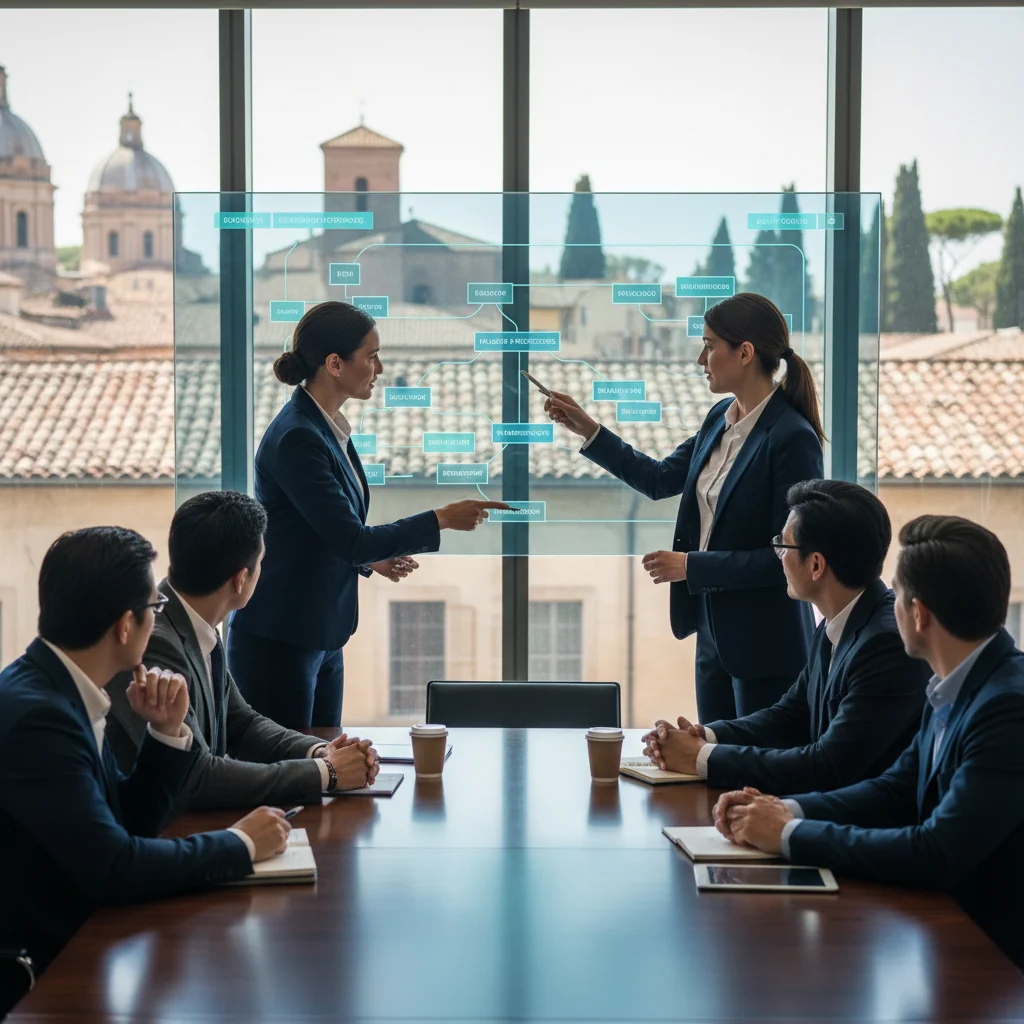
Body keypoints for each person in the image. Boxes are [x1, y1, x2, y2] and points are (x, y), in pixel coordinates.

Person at [714, 515, 1024, 969]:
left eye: (896, 594)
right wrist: (787, 810)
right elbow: (894, 789)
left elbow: (937, 851)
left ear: (918, 615)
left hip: (993, 960)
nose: (887, 603)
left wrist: (788, 834)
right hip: (943, 931)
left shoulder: (1006, 708)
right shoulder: (957, 683)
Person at [0, 527, 292, 1002]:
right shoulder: (40, 718)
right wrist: (240, 844)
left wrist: (166, 732)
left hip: (83, 940)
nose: (157, 623)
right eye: (153, 611)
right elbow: (114, 867)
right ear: (123, 626)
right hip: (41, 972)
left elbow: (128, 824)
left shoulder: (61, 691)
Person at [228, 301, 509, 729]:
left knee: (324, 763)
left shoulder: (326, 427)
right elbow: (351, 539)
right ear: (335, 364)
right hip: (281, 638)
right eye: (372, 355)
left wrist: (371, 559)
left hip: (321, 632)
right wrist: (442, 518)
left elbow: (324, 530)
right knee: (292, 773)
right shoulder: (298, 438)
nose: (379, 367)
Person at [545, 292, 823, 720]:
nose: (700, 358)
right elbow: (658, 478)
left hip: (766, 646)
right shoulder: (719, 419)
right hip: (712, 635)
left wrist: (691, 566)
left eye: (710, 345)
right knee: (712, 767)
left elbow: (784, 558)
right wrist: (587, 427)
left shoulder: (791, 438)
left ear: (745, 353)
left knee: (754, 773)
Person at [642, 479, 930, 794]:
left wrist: (701, 758)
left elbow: (828, 765)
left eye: (783, 543)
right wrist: (704, 735)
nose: (777, 554)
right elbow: (790, 715)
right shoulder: (840, 618)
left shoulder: (885, 643)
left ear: (816, 565)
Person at [106, 491, 380, 809]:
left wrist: (322, 752)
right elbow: (197, 775)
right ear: (240, 580)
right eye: (261, 561)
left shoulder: (196, 619)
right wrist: (326, 773)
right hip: (158, 832)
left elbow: (242, 723)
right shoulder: (154, 641)